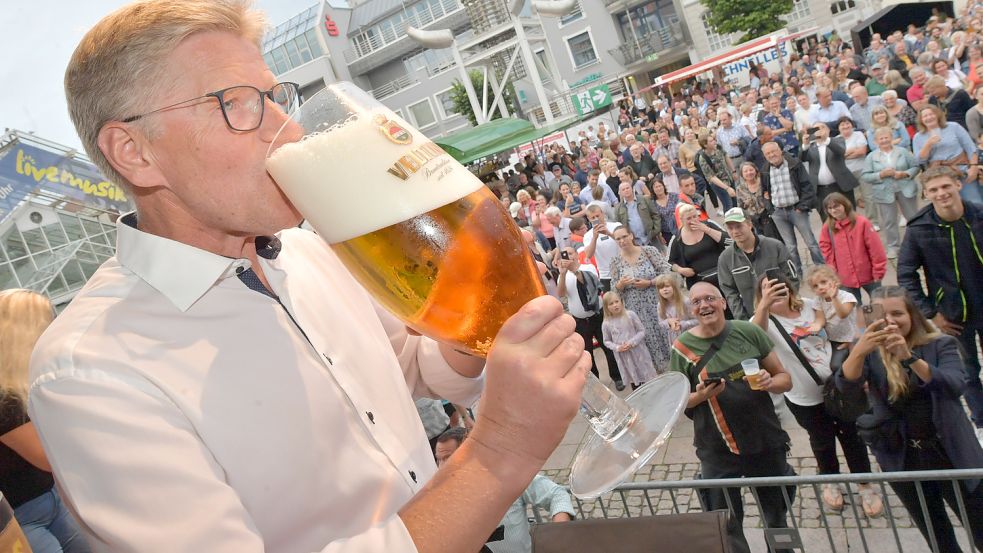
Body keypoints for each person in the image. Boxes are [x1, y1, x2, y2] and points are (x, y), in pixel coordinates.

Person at [31, 3, 590, 551]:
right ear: (134, 152)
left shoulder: (309, 251)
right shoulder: (88, 371)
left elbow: (412, 370)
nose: (290, 130)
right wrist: (499, 451)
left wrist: (481, 316)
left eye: (275, 98)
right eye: (239, 104)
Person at [839, 286, 983, 552]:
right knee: (938, 537)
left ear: (912, 316)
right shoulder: (871, 354)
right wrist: (858, 350)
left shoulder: (940, 344)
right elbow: (846, 391)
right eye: (883, 315)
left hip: (952, 454)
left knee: (980, 526)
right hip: (903, 458)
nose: (891, 321)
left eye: (897, 313)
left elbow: (954, 385)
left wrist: (909, 357)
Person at [668, 281, 794, 553]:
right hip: (717, 450)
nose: (704, 305)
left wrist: (770, 381)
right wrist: (700, 396)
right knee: (726, 523)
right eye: (697, 301)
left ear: (723, 302)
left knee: (777, 516)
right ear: (691, 310)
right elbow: (676, 405)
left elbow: (786, 379)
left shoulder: (748, 332)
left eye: (710, 298)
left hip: (765, 442)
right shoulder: (681, 348)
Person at [750, 275, 883, 516]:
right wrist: (764, 305)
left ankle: (865, 484)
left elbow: (847, 319)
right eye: (768, 291)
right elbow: (752, 336)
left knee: (852, 435)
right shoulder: (764, 320)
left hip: (839, 389)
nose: (776, 294)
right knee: (822, 440)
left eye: (780, 288)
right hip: (805, 397)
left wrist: (853, 341)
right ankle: (830, 479)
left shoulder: (811, 305)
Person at [0, 289, 91, 553]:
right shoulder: (6, 401)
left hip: (50, 500)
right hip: (21, 517)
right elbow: (47, 456)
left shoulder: (22, 385)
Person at [898, 167, 983, 445]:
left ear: (958, 184)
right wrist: (931, 314)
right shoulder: (919, 227)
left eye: (945, 186)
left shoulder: (979, 214)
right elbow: (906, 275)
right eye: (933, 190)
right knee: (968, 371)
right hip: (953, 316)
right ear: (925, 193)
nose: (941, 193)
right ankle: (980, 420)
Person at [434, 428, 575, 553]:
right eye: (439, 460)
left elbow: (556, 494)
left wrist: (559, 534)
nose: (441, 467)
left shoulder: (505, 477)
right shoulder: (441, 501)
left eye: (448, 458)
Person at [557, 246, 624, 389]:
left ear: (576, 255)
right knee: (587, 352)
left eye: (570, 253)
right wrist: (562, 274)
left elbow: (588, 282)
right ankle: (597, 384)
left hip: (598, 316)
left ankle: (617, 377)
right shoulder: (563, 274)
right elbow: (561, 293)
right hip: (580, 321)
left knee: (608, 347)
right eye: (565, 254)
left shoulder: (587, 267)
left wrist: (574, 270)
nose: (568, 256)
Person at [610, 227, 673, 371]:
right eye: (618, 239)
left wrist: (649, 282)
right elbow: (613, 293)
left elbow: (667, 273)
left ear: (631, 235)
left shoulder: (649, 251)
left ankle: (679, 365)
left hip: (657, 301)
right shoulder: (615, 261)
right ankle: (660, 372)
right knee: (648, 340)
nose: (621, 241)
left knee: (667, 332)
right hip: (635, 308)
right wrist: (620, 284)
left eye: (624, 236)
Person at [717, 207, 797, 321]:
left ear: (749, 224)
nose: (735, 231)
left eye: (739, 226)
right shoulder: (725, 259)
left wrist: (790, 306)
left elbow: (792, 279)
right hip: (754, 318)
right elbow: (730, 294)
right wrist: (744, 321)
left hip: (783, 313)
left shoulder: (775, 246)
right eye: (730, 228)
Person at [761, 141, 824, 274]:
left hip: (797, 210)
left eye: (774, 151)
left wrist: (802, 206)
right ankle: (798, 274)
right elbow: (764, 192)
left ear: (780, 150)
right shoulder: (765, 170)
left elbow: (807, 186)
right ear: (764, 156)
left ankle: (822, 269)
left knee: (811, 242)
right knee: (790, 247)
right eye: (768, 153)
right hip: (778, 213)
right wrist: (771, 209)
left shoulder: (794, 164)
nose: (772, 155)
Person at [861, 127, 921, 258]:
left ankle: (919, 243)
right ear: (876, 141)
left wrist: (905, 173)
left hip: (905, 188)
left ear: (892, 138)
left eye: (886, 137)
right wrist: (880, 174)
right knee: (889, 221)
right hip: (884, 192)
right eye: (881, 139)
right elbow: (865, 176)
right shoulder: (872, 157)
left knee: (913, 218)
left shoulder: (903, 152)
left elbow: (916, 167)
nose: (884, 140)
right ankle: (893, 247)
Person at [818, 193, 887, 304]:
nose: (833, 210)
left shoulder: (862, 222)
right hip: (845, 278)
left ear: (845, 205)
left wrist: (878, 271)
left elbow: (876, 249)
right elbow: (825, 247)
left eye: (836, 206)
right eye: (830, 208)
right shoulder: (828, 227)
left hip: (869, 274)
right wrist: (833, 269)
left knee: (878, 306)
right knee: (855, 311)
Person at [912, 105, 981, 204]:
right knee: (950, 205)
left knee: (974, 202)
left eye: (931, 114)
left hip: (962, 170)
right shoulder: (918, 137)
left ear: (937, 115)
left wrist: (974, 169)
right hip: (939, 176)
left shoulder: (954, 127)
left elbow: (971, 148)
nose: (929, 117)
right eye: (925, 116)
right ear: (921, 120)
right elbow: (919, 161)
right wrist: (928, 144)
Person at [805, 265, 858, 372]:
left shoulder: (847, 297)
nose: (820, 287)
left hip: (851, 338)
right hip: (833, 340)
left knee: (855, 364)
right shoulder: (817, 300)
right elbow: (821, 318)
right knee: (833, 366)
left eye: (823, 282)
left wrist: (834, 298)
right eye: (815, 286)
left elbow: (842, 314)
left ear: (834, 281)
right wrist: (817, 325)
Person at [602, 291, 658, 388]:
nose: (615, 305)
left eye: (616, 301)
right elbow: (606, 341)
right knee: (634, 379)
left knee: (647, 376)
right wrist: (617, 347)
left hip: (639, 352)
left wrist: (632, 342)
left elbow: (641, 331)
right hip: (625, 357)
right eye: (611, 304)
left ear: (621, 302)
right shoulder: (606, 323)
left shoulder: (630, 315)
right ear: (607, 307)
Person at [800, 121, 860, 207]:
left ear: (828, 131)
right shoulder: (810, 147)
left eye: (822, 127)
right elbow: (801, 159)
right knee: (826, 217)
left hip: (840, 186)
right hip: (821, 190)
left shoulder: (837, 140)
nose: (820, 130)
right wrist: (805, 145)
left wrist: (826, 140)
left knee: (848, 213)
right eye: (816, 128)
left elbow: (840, 151)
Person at [668, 204, 728, 290]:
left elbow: (728, 240)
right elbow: (668, 262)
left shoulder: (709, 224)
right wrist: (681, 270)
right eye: (688, 218)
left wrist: (707, 230)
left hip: (722, 274)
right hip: (698, 281)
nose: (693, 220)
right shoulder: (677, 238)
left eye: (695, 216)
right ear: (681, 220)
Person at [695, 132, 737, 212]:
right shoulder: (703, 158)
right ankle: (730, 223)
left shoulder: (718, 147)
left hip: (729, 178)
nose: (714, 142)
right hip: (719, 184)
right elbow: (711, 177)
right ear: (705, 145)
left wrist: (733, 171)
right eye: (711, 141)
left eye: (714, 140)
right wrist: (727, 188)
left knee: (735, 202)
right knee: (728, 205)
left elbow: (726, 157)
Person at [615, 179, 662, 250]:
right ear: (620, 193)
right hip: (634, 243)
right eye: (623, 189)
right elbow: (619, 226)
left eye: (627, 188)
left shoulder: (644, 199)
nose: (626, 190)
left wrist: (656, 230)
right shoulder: (618, 208)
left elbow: (655, 215)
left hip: (651, 239)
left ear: (632, 189)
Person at [655, 274, 697, 343]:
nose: (665, 289)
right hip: (674, 339)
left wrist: (682, 324)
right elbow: (661, 322)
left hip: (690, 336)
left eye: (667, 286)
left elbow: (697, 320)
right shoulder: (660, 305)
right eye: (661, 288)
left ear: (674, 287)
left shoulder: (685, 301)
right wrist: (668, 322)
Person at [650, 179, 680, 244]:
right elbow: (654, 221)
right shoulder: (652, 204)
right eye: (656, 187)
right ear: (653, 190)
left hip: (680, 228)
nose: (658, 188)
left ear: (664, 186)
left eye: (660, 186)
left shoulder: (674, 196)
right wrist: (660, 236)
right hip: (666, 233)